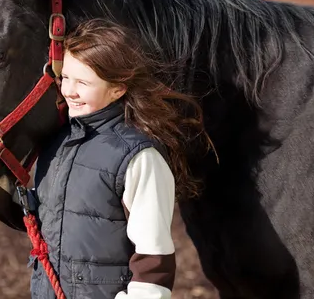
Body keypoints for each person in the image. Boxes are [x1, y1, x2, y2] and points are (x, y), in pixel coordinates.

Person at [28, 18, 208, 299]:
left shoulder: (140, 158)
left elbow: (153, 261)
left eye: (83, 82)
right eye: (66, 78)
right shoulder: (58, 140)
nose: (69, 90)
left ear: (118, 88)